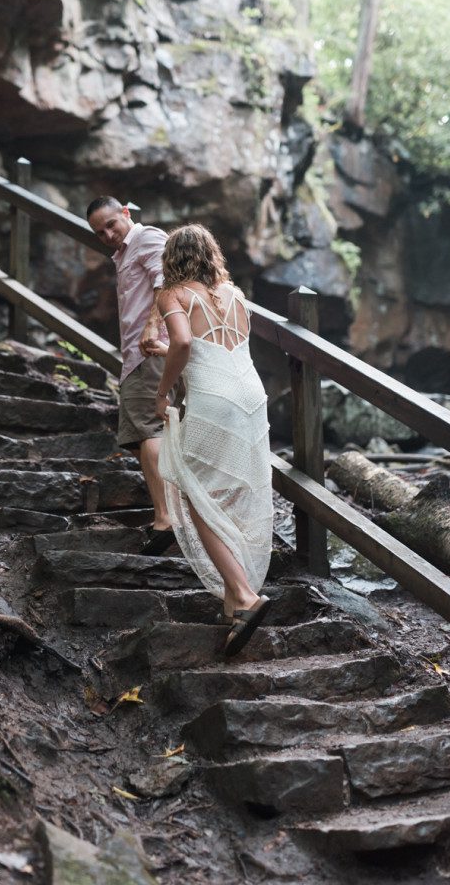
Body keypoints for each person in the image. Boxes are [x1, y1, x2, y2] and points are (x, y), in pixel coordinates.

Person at [144, 224, 273, 657]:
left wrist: (162, 392)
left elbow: (183, 341)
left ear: (171, 258)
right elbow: (214, 348)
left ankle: (244, 594)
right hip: (251, 396)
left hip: (214, 400)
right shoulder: (234, 294)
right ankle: (234, 600)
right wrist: (169, 354)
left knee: (194, 491)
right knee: (228, 490)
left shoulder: (172, 295)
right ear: (211, 253)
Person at [86, 196, 177, 556]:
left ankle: (166, 519)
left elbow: (166, 279)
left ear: (126, 213)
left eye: (111, 224)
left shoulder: (146, 237)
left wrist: (153, 325)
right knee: (144, 433)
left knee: (149, 429)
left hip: (150, 351)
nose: (108, 235)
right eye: (100, 232)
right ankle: (170, 512)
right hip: (138, 356)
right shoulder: (124, 252)